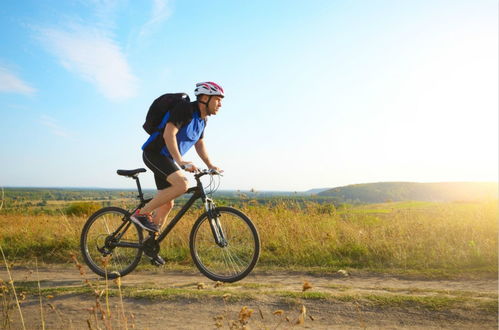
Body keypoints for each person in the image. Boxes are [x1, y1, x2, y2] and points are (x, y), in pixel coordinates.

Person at [130, 81, 224, 262]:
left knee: (167, 204)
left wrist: (211, 165)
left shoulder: (202, 120)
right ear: (205, 98)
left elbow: (199, 143)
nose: (220, 104)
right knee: (182, 184)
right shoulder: (185, 109)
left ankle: (150, 247)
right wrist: (181, 161)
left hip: (167, 158)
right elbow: (168, 134)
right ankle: (141, 213)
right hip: (155, 153)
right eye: (218, 100)